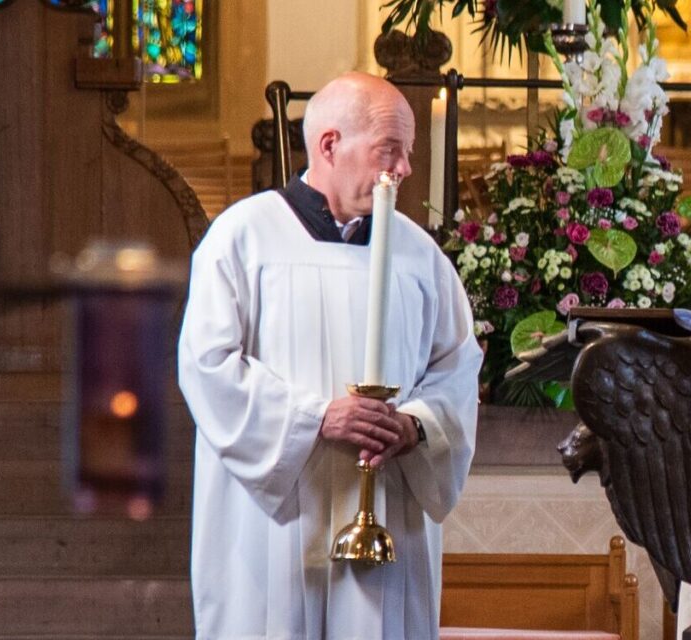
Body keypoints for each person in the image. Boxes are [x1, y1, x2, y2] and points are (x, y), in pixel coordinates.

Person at [178, 72, 484, 639]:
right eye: (390, 151)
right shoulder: (243, 238)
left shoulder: (419, 256)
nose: (405, 170)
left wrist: (415, 428)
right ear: (329, 145)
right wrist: (316, 418)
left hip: (387, 515)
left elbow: (458, 371)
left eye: (408, 153)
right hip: (272, 531)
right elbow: (207, 365)